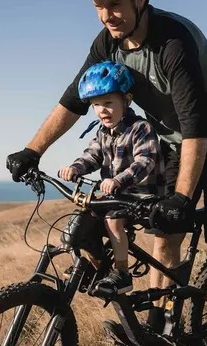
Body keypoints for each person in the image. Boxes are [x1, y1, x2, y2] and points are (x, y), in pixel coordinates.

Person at [7, 0, 207, 346]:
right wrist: (32, 150)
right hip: (172, 141)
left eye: (115, 3)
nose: (107, 15)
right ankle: (161, 329)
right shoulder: (108, 43)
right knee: (165, 237)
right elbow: (74, 100)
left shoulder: (174, 41)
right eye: (98, 6)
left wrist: (182, 198)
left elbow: (195, 125)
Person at [58, 60, 161, 296]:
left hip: (141, 196)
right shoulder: (103, 132)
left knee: (113, 220)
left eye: (108, 103)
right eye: (96, 104)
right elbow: (92, 155)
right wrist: (75, 168)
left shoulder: (140, 128)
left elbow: (145, 161)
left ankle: (122, 273)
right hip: (116, 195)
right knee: (84, 218)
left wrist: (119, 180)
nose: (101, 110)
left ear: (126, 100)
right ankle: (97, 265)